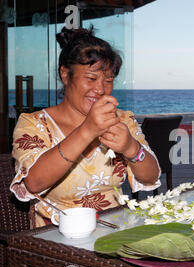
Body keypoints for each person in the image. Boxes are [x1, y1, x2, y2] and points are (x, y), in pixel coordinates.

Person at [10, 26, 161, 226]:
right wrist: (87, 130)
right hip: (56, 237)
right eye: (91, 78)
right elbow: (33, 182)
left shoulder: (122, 120)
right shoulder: (34, 124)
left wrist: (131, 148)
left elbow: (151, 176)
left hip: (115, 228)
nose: (100, 89)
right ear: (65, 75)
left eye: (108, 80)